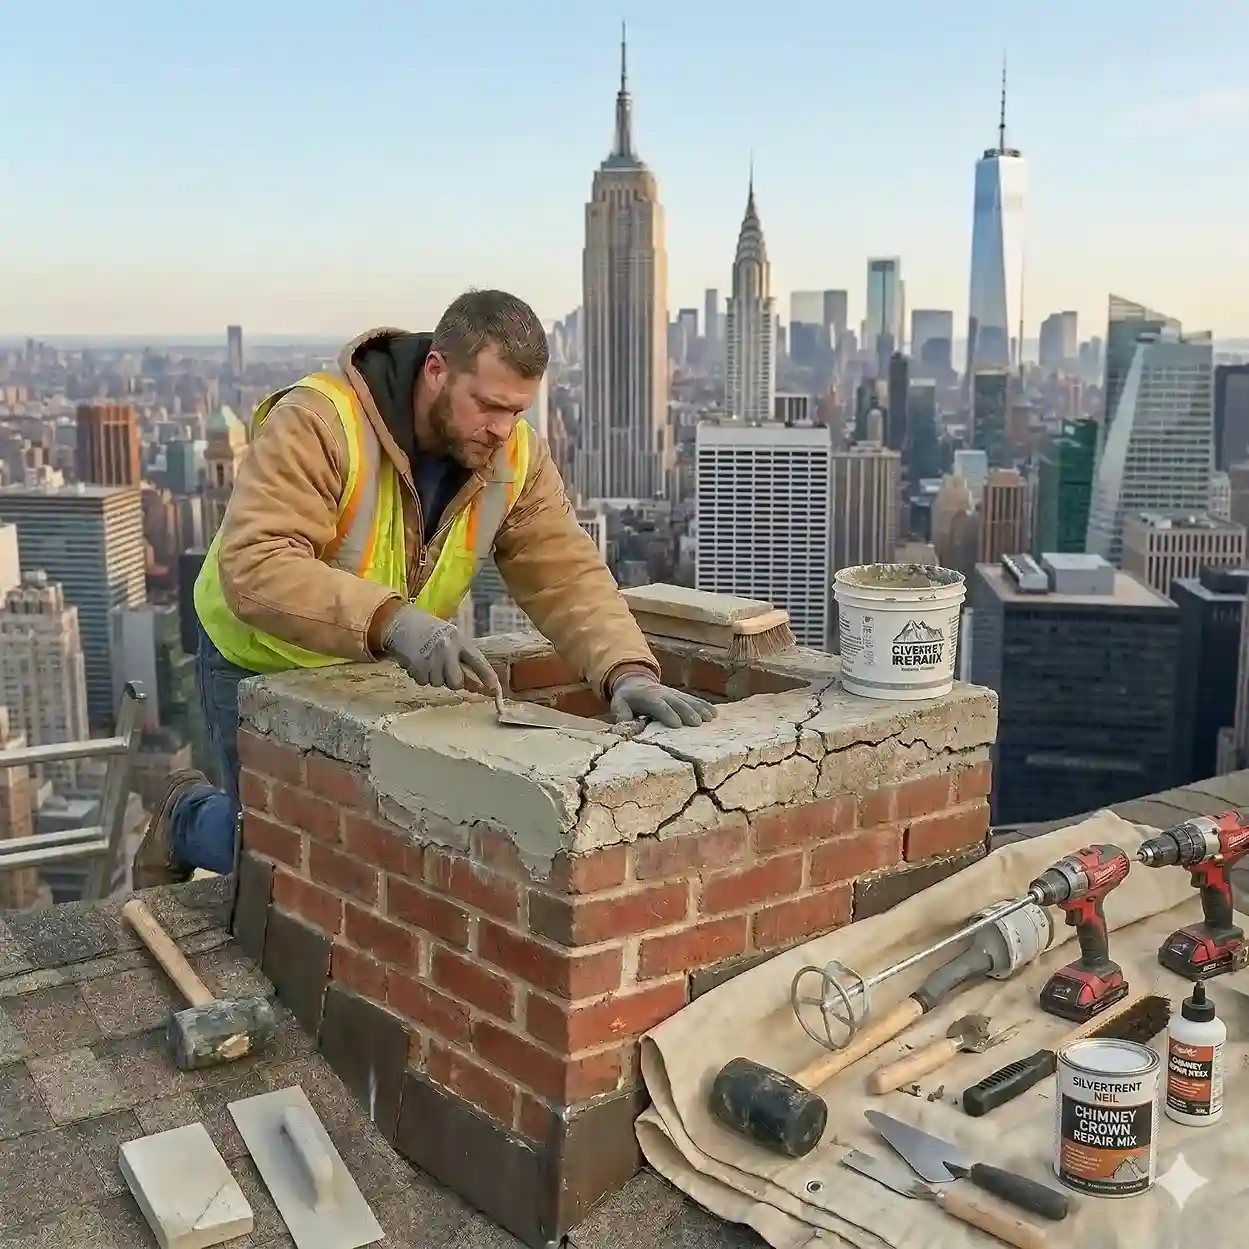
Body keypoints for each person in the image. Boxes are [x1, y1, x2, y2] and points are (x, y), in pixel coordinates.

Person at [134, 291, 714, 887]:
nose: (502, 429)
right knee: (271, 850)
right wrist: (395, 623)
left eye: (517, 411)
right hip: (257, 658)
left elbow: (563, 570)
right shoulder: (321, 422)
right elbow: (258, 564)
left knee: (364, 841)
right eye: (488, 405)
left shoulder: (513, 456)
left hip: (373, 664)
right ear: (437, 370)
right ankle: (184, 815)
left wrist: (625, 669)